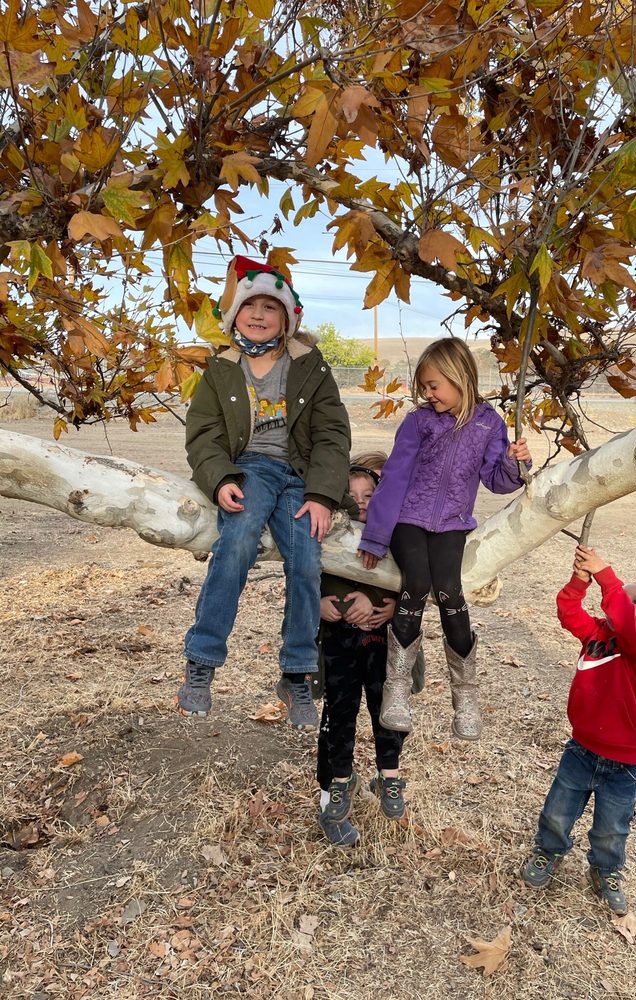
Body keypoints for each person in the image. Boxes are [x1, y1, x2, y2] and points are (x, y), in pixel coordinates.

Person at [176, 257, 351, 731]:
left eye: (269, 307)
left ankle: (297, 672)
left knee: (305, 559)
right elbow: (204, 435)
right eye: (249, 304)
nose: (257, 314)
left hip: (300, 474)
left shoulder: (309, 366)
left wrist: (322, 494)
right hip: (249, 469)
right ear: (235, 315)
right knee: (235, 543)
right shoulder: (222, 370)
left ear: (287, 317)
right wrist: (221, 479)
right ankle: (202, 661)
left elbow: (333, 434)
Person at [356, 338, 531, 740]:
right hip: (407, 520)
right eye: (424, 387)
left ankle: (465, 695)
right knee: (416, 583)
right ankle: (397, 689)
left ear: (459, 377)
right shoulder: (419, 422)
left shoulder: (489, 424)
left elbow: (499, 480)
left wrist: (515, 460)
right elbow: (395, 476)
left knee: (450, 590)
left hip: (452, 523)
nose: (428, 394)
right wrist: (376, 536)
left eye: (434, 385)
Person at [521, 545, 636, 915]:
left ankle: (605, 871)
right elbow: (568, 613)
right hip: (581, 748)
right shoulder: (598, 634)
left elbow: (623, 617)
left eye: (634, 600)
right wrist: (580, 579)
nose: (621, 599)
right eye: (625, 595)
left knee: (611, 828)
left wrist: (606, 575)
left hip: (622, 763)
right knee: (558, 811)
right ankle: (548, 851)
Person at [316, 454, 414, 847]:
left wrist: (391, 607)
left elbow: (410, 582)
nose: (360, 502)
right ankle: (330, 799)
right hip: (337, 648)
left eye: (369, 495)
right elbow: (303, 577)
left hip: (379, 649)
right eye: (352, 494)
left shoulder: (395, 537)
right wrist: (317, 603)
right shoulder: (326, 532)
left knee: (385, 713)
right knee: (336, 721)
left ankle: (384, 774)